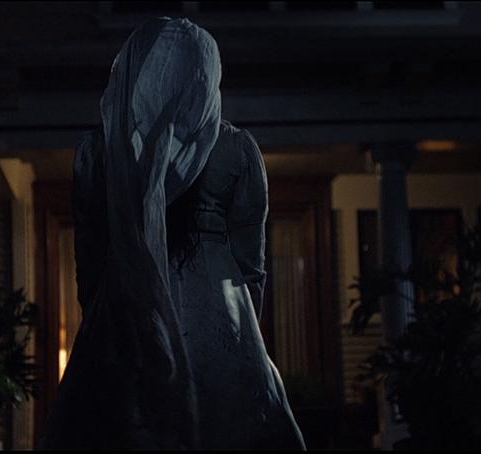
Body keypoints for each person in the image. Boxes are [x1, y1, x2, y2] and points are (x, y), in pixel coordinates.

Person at [38, 17, 306, 450]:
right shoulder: (237, 149)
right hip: (220, 313)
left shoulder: (101, 151)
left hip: (126, 306)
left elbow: (89, 257)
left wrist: (109, 312)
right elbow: (250, 263)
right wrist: (240, 328)